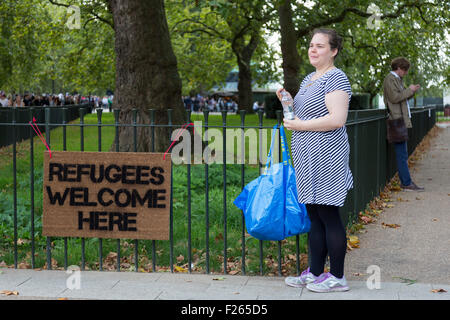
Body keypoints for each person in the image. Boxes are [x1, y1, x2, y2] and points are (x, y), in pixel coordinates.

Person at [278, 28, 352, 293]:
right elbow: (302, 115)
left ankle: (338, 277)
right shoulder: (310, 78)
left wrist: (299, 125)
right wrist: (288, 104)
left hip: (327, 156)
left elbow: (336, 119)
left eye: (320, 46)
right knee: (314, 215)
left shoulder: (336, 78)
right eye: (311, 45)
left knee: (328, 214)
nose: (313, 50)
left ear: (333, 51)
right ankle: (317, 272)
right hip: (306, 156)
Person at [383, 57, 424, 191]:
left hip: (400, 120)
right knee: (401, 154)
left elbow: (402, 96)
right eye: (405, 70)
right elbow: (394, 98)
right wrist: (409, 90)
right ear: (399, 68)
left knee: (402, 153)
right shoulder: (390, 79)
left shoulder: (397, 79)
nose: (406, 73)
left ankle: (406, 182)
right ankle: (406, 183)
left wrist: (412, 91)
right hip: (396, 120)